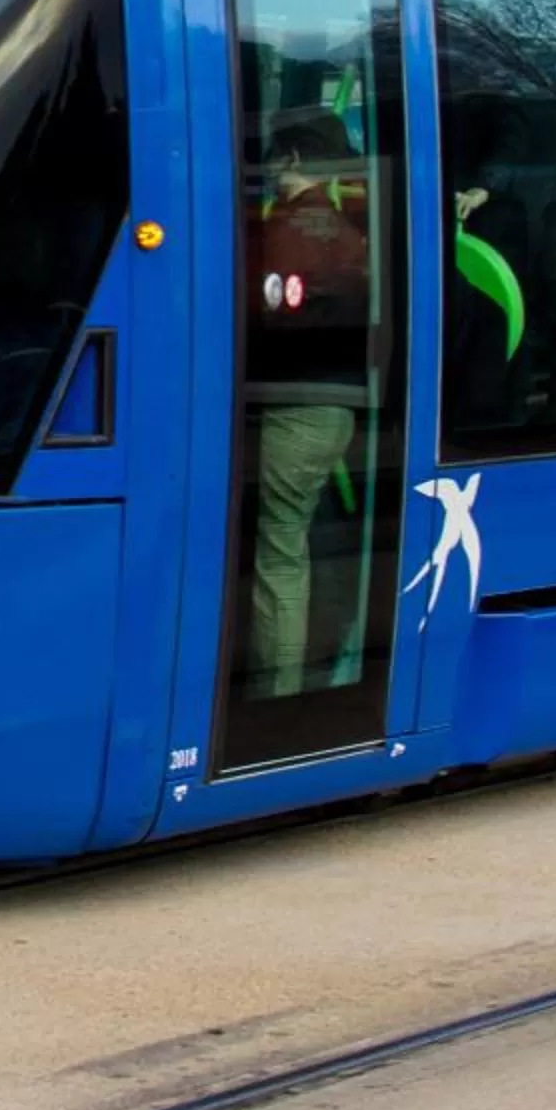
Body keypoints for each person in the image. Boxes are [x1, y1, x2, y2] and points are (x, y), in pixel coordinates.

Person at [243, 108, 372, 700]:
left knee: (279, 553)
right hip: (341, 406)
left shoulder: (284, 227)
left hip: (292, 404)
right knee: (302, 541)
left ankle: (276, 692)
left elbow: (256, 314)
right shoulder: (350, 227)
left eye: (271, 158)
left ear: (290, 159)